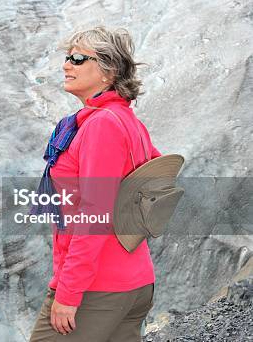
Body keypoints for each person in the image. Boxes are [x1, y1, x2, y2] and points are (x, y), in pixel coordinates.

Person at [29, 26, 160, 342]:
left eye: (77, 58)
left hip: (98, 288)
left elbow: (93, 214)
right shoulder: (129, 122)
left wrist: (69, 293)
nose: (66, 65)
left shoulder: (101, 126)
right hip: (133, 280)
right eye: (67, 57)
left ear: (108, 71)